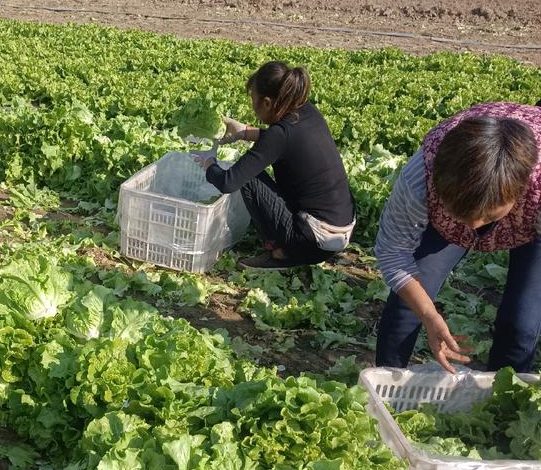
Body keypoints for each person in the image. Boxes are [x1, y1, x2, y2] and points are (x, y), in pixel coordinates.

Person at [375, 102, 541, 374]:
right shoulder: (420, 178)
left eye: (488, 217)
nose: (474, 225)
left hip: (533, 214)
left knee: (521, 324)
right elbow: (394, 253)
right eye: (461, 214)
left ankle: (504, 402)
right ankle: (387, 383)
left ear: (521, 191)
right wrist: (429, 314)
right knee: (409, 301)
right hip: (448, 206)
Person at [193, 60, 356, 269]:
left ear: (268, 103)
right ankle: (290, 246)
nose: (253, 107)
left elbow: (228, 182)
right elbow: (286, 143)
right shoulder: (308, 112)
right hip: (340, 232)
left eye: (254, 100)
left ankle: (281, 253)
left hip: (314, 242)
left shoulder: (279, 135)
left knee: (250, 178)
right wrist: (244, 131)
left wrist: (209, 164)